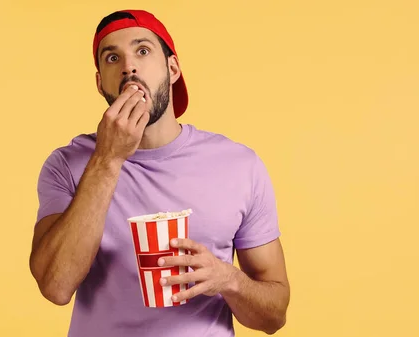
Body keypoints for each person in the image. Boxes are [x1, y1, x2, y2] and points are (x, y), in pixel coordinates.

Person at [29, 9, 290, 336]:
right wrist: (108, 159)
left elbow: (274, 316)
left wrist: (229, 279)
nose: (128, 67)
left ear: (172, 68)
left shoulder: (239, 165)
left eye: (142, 50)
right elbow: (55, 286)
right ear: (100, 83)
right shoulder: (68, 165)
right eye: (112, 58)